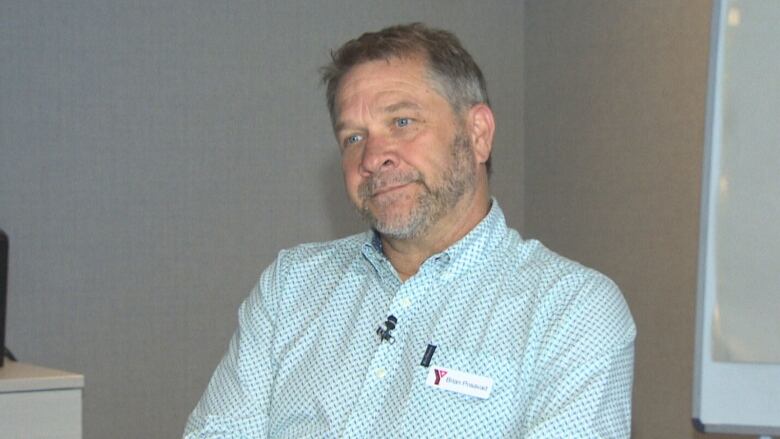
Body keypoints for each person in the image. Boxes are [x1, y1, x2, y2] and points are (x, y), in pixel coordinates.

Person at [184, 23, 635, 438]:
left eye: (402, 122)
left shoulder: (571, 309)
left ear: (478, 133)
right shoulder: (291, 286)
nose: (373, 157)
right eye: (353, 138)